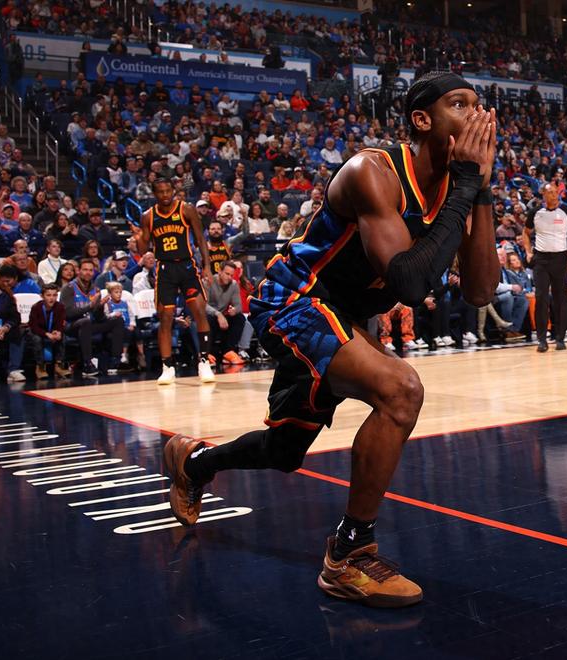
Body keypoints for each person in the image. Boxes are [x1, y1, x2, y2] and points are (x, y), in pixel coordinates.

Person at [163, 72, 499, 607]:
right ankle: (349, 555)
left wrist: (479, 189)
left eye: (480, 105)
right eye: (460, 104)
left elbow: (480, 291)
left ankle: (193, 463)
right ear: (422, 119)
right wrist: (465, 186)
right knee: (401, 390)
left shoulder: (455, 188)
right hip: (295, 298)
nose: (476, 115)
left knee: (284, 451)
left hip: (346, 316)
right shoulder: (373, 172)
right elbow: (408, 284)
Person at [135, 178, 215, 385]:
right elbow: (143, 250)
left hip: (187, 266)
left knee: (199, 311)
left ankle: (204, 362)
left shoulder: (186, 209)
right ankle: (167, 367)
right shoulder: (148, 216)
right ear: (155, 194)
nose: (165, 195)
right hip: (165, 269)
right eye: (160, 191)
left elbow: (200, 239)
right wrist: (138, 237)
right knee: (166, 317)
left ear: (173, 190)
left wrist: (207, 266)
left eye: (168, 190)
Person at [523, 183, 567, 352]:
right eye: (550, 192)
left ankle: (560, 338)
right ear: (543, 195)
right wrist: (528, 251)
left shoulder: (566, 211)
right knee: (541, 298)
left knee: (561, 299)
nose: (554, 195)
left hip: (560, 259)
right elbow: (526, 233)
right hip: (541, 259)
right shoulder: (535, 212)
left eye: (556, 192)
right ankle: (542, 339)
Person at [60, 259, 126, 377]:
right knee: (85, 322)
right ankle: (87, 364)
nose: (88, 273)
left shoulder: (96, 289)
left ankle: (115, 361)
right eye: (85, 270)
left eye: (90, 270)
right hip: (72, 326)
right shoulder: (69, 288)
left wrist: (100, 306)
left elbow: (99, 318)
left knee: (117, 320)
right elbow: (68, 313)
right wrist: (90, 306)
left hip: (90, 324)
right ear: (79, 271)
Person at [205, 261, 246, 365]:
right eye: (227, 274)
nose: (229, 277)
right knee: (208, 319)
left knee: (239, 318)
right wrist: (218, 314)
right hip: (209, 315)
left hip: (223, 315)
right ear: (219, 271)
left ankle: (228, 352)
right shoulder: (209, 281)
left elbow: (239, 306)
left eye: (231, 275)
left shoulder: (234, 285)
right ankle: (206, 354)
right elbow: (203, 305)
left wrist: (234, 310)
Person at [29, 283, 72, 379]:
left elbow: (61, 323)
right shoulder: (36, 307)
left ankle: (59, 365)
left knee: (62, 336)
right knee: (37, 338)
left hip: (52, 331)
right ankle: (40, 367)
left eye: (54, 295)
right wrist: (46, 334)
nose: (51, 298)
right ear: (42, 296)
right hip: (38, 332)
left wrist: (58, 332)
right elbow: (33, 326)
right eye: (48, 295)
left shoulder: (60, 307)